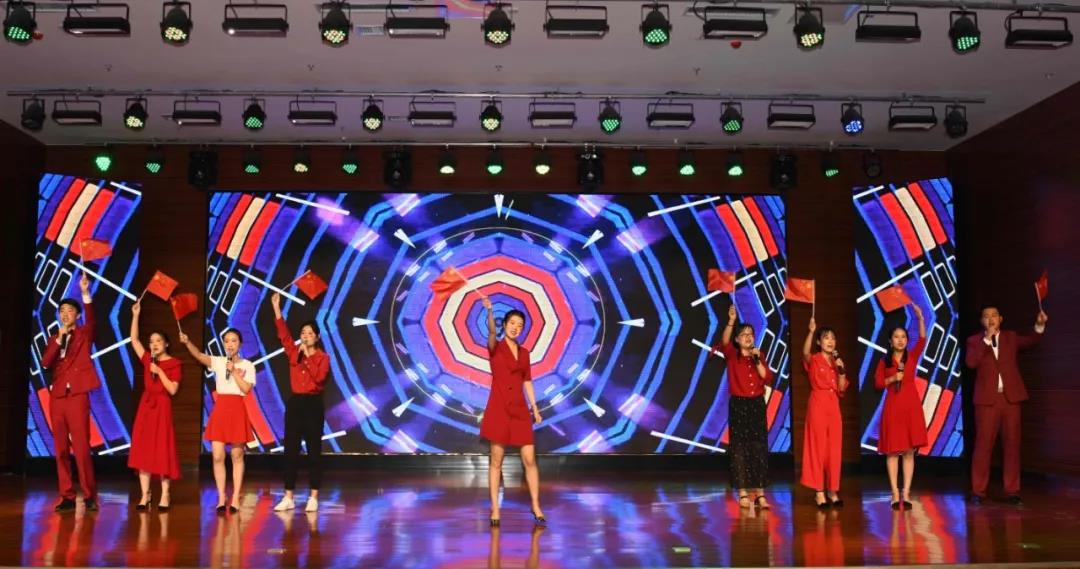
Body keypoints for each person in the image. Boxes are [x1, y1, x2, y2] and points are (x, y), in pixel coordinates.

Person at [965, 306, 1048, 505]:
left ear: (1000, 319)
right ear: (982, 321)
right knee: (983, 446)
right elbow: (971, 363)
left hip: (1010, 399)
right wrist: (986, 340)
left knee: (1012, 445)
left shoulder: (1010, 337)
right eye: (986, 316)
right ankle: (978, 491)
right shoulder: (974, 341)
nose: (990, 319)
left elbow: (1031, 340)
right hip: (987, 401)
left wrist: (1039, 325)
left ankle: (1012, 491)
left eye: (994, 315)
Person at [479, 298, 545, 527]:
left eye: (520, 325)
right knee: (496, 461)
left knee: (530, 459)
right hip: (499, 409)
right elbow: (491, 332)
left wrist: (535, 408)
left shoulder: (525, 353)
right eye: (512, 323)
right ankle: (495, 509)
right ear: (504, 324)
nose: (516, 327)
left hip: (519, 410)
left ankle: (536, 505)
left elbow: (527, 381)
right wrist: (489, 311)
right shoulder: (495, 347)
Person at [40, 273, 100, 513]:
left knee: (82, 448)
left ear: (77, 315)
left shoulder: (84, 334)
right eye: (62, 311)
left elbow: (93, 320)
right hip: (57, 398)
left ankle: (89, 495)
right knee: (61, 449)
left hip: (77, 395)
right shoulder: (55, 338)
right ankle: (66, 495)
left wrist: (85, 293)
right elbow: (46, 362)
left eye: (70, 311)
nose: (65, 314)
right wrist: (58, 340)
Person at [180, 328, 256, 514]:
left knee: (237, 455)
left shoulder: (248, 365)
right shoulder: (219, 362)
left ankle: (236, 496)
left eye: (234, 340)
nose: (230, 344)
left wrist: (234, 372)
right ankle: (222, 496)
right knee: (217, 456)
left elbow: (246, 389)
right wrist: (187, 342)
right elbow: (199, 356)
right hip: (221, 409)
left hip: (237, 409)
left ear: (240, 344)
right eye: (227, 341)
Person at [269, 292, 331, 513]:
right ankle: (289, 496)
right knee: (290, 451)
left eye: (309, 333)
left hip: (313, 405)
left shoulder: (323, 358)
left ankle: (313, 496)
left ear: (317, 337)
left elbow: (319, 378)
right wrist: (277, 308)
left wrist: (308, 357)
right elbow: (283, 335)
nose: (305, 336)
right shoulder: (294, 353)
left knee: (314, 451)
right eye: (303, 333)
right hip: (295, 405)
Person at [718, 304, 775, 509]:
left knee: (759, 447)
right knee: (740, 448)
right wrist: (731, 320)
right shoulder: (732, 355)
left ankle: (759, 493)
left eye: (751, 334)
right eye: (744, 335)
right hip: (739, 405)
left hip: (757, 405)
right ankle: (742, 492)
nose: (748, 337)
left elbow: (767, 377)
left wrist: (757, 360)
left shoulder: (759, 356)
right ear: (737, 339)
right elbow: (724, 342)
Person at [127, 302, 183, 510]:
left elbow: (173, 390)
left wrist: (159, 372)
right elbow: (134, 340)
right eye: (151, 342)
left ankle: (165, 494)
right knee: (143, 449)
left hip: (162, 407)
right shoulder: (147, 360)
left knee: (162, 449)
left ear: (166, 344)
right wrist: (136, 315)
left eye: (158, 341)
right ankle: (145, 494)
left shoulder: (174, 363)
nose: (154, 345)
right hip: (146, 406)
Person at [874, 305, 928, 510]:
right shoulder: (884, 361)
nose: (900, 340)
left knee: (908, 452)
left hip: (911, 406)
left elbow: (922, 340)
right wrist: (892, 378)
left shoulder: (911, 357)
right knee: (892, 452)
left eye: (903, 337)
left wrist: (920, 317)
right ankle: (895, 493)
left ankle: (906, 492)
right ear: (890, 341)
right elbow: (878, 383)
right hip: (893, 407)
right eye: (896, 337)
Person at [800, 317, 848, 508]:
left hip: (833, 405)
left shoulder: (837, 362)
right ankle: (819, 491)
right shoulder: (814, 359)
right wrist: (811, 331)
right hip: (818, 404)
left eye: (833, 338)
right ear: (819, 342)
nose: (830, 341)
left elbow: (842, 389)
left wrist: (842, 372)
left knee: (834, 449)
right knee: (817, 448)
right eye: (826, 338)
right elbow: (805, 353)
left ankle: (832, 490)